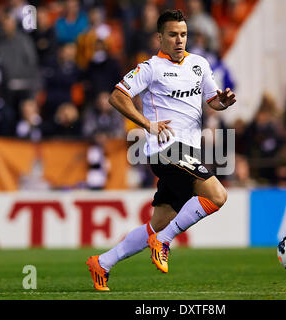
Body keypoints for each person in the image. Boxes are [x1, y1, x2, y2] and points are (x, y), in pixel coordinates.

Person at [86, 9, 236, 291]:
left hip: (188, 152)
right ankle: (164, 241)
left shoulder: (200, 64)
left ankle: (102, 263)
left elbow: (212, 101)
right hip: (165, 149)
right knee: (217, 195)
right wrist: (146, 124)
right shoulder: (150, 68)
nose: (179, 40)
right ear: (160, 37)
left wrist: (223, 102)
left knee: (158, 223)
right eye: (172, 34)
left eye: (183, 34)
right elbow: (117, 97)